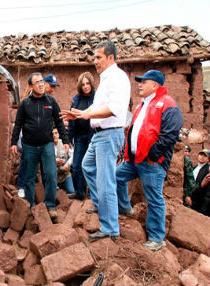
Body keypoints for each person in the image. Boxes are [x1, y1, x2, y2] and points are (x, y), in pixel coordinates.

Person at [60, 41, 130, 240]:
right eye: (94, 57)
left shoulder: (117, 78)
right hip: (99, 135)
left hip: (108, 135)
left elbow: (115, 109)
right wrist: (80, 114)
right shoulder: (105, 80)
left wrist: (86, 116)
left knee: (105, 181)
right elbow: (97, 107)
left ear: (111, 57)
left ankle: (110, 228)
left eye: (99, 57)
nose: (95, 61)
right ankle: (101, 206)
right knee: (87, 166)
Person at [115, 70, 183, 251]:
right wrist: (127, 151)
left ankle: (156, 237)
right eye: (140, 81)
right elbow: (134, 131)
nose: (140, 84)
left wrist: (154, 154)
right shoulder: (142, 105)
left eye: (144, 82)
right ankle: (125, 208)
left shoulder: (167, 104)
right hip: (134, 160)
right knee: (115, 177)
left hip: (151, 162)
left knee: (154, 198)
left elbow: (171, 133)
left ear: (155, 85)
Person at [10, 73, 69, 218]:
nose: (41, 84)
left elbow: (59, 122)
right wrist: (13, 143)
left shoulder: (51, 101)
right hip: (29, 146)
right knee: (29, 176)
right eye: (37, 82)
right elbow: (18, 124)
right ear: (30, 86)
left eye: (42, 81)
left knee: (50, 174)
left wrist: (66, 140)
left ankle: (50, 205)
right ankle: (30, 205)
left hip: (47, 144)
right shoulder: (25, 104)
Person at [67, 72, 96, 200]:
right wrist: (69, 138)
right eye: (83, 84)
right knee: (77, 166)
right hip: (79, 137)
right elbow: (71, 119)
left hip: (93, 136)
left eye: (87, 83)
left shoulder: (97, 97)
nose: (85, 86)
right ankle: (79, 192)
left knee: (91, 166)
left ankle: (91, 194)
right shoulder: (76, 99)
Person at [53, 128, 75, 195]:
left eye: (56, 133)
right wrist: (53, 161)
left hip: (65, 175)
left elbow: (73, 155)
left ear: (59, 134)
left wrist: (68, 164)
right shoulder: (47, 146)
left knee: (71, 192)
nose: (54, 135)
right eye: (52, 134)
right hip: (54, 177)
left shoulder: (64, 143)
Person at [191, 149, 210, 216]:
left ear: (208, 159)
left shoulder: (207, 170)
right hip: (192, 196)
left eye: (205, 156)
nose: (202, 157)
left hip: (200, 200)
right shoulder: (194, 168)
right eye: (201, 155)